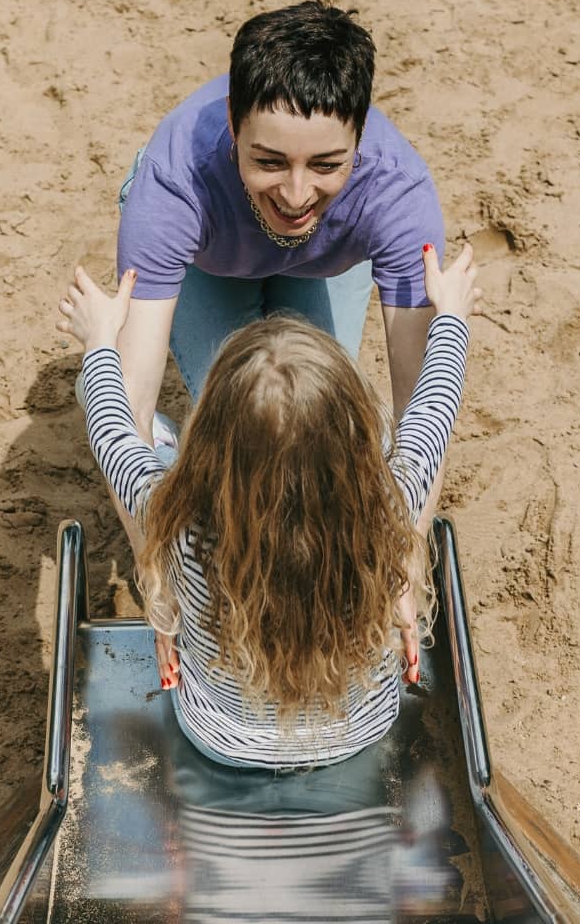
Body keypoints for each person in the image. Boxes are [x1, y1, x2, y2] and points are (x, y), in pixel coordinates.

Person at [57, 242, 479, 768]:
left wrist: (100, 339)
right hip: (363, 729)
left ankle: (171, 440)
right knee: (399, 439)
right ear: (349, 441)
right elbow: (435, 406)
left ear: (212, 442)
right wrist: (451, 315)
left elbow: (110, 428)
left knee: (155, 446)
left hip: (220, 738)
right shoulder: (387, 507)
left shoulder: (179, 521)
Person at [90, 0, 451, 548]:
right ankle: (166, 437)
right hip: (211, 262)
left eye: (327, 164)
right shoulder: (173, 182)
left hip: (325, 262)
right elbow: (133, 403)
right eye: (270, 161)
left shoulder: (397, 191)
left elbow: (418, 407)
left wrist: (407, 556)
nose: (297, 195)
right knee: (241, 428)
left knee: (315, 426)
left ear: (360, 135)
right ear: (233, 126)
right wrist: (154, 562)